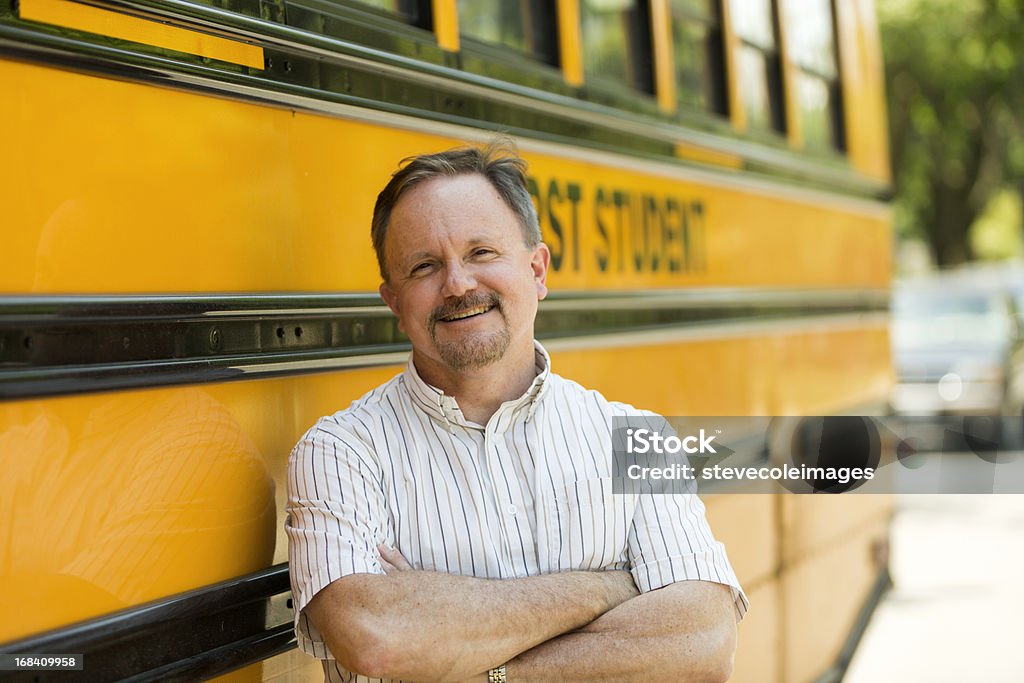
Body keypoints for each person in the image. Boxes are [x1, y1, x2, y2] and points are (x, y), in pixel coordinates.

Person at [286, 141, 748, 683]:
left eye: (482, 252)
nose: (458, 285)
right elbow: (377, 639)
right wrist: (613, 586)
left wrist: (480, 665)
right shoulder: (339, 454)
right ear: (393, 300)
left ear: (537, 270)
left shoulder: (636, 436)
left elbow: (704, 643)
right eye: (424, 266)